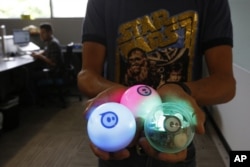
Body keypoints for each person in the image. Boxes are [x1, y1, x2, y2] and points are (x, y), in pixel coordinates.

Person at [77, 0, 236, 167]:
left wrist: (182, 90)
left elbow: (226, 83)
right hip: (117, 141)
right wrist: (126, 96)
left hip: (173, 139)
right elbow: (86, 75)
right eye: (132, 61)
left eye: (139, 60)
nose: (136, 64)